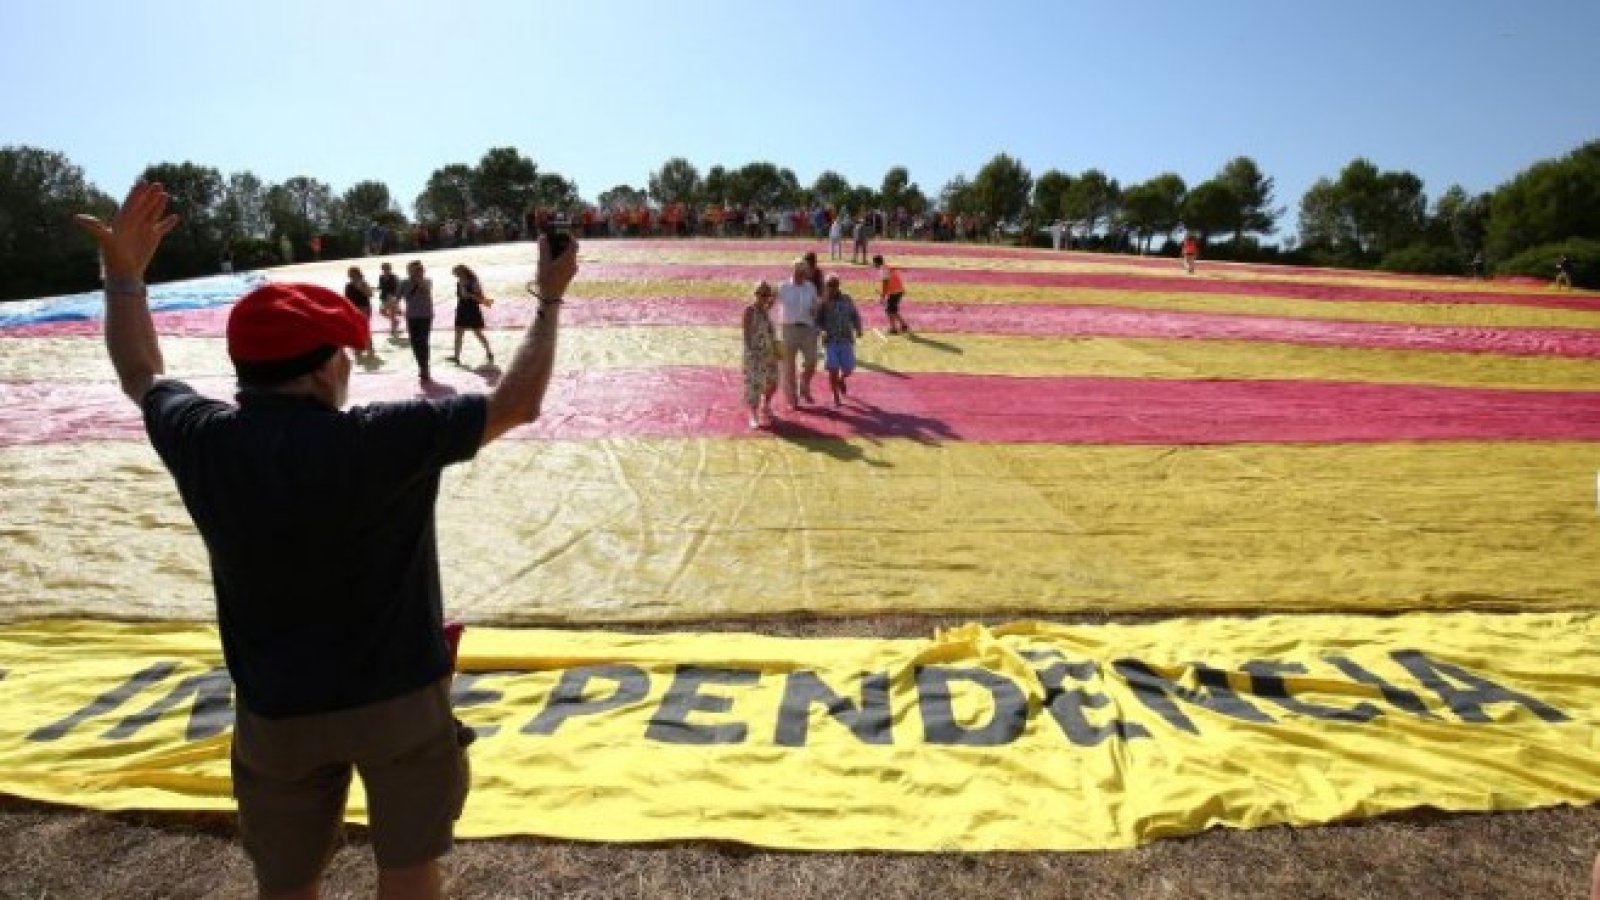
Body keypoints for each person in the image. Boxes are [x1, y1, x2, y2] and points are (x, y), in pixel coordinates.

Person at [74, 180, 579, 900]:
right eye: (342, 354)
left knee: (287, 883)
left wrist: (123, 279)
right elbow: (517, 403)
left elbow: (140, 373)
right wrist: (550, 298)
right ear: (320, 369)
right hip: (398, 698)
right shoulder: (384, 438)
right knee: (409, 870)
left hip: (277, 709)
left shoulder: (204, 439)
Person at [776, 258, 821, 407]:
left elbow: (815, 304)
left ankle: (804, 382)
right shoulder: (783, 287)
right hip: (789, 329)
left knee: (812, 361)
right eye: (799, 271)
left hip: (808, 329)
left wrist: (816, 309)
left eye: (804, 271)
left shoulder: (811, 287)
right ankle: (792, 398)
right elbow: (771, 303)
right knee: (788, 366)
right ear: (793, 271)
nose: (801, 274)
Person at [816, 274, 863, 406]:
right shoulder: (822, 302)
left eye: (834, 285)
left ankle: (841, 379)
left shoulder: (847, 299)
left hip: (846, 339)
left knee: (848, 368)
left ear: (838, 285)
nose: (831, 288)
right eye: (829, 285)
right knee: (833, 369)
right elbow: (817, 321)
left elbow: (855, 315)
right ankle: (835, 395)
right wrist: (821, 331)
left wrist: (858, 328)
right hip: (831, 340)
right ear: (825, 286)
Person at [741, 281, 781, 428]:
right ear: (756, 294)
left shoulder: (766, 310)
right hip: (755, 354)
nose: (764, 298)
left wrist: (776, 349)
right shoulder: (749, 311)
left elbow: (775, 294)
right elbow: (746, 334)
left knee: (773, 382)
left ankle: (766, 405)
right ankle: (753, 414)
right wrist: (752, 351)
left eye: (767, 295)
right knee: (755, 385)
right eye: (762, 294)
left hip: (770, 353)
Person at [446, 264, 495, 367]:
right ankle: (456, 357)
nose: (456, 275)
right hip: (462, 308)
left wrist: (471, 295)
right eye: (456, 274)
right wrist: (465, 293)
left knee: (477, 333)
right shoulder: (459, 282)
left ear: (463, 272)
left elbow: (479, 295)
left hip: (472, 309)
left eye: (457, 273)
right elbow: (462, 296)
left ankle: (489, 352)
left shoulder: (473, 282)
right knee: (458, 333)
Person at [400, 260, 436, 383]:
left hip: (425, 315)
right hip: (411, 316)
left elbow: (426, 291)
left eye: (417, 270)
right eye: (411, 270)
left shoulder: (427, 281)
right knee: (414, 342)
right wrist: (392, 304)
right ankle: (421, 366)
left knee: (423, 341)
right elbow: (397, 297)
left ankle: (425, 367)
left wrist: (419, 280)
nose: (413, 272)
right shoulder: (404, 282)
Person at [343, 266, 377, 363]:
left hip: (364, 308)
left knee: (365, 329)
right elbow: (346, 299)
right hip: (353, 309)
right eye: (350, 274)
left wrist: (361, 287)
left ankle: (370, 349)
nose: (351, 276)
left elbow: (370, 295)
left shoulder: (364, 283)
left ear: (358, 274)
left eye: (353, 273)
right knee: (355, 329)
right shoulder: (348, 285)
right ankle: (358, 349)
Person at [873, 254, 911, 334]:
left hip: (895, 292)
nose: (874, 265)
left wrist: (882, 296)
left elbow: (885, 284)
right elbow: (894, 267)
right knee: (892, 310)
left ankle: (894, 329)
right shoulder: (886, 266)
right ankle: (903, 325)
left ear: (876, 263)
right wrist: (902, 269)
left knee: (889, 310)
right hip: (898, 290)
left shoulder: (883, 270)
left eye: (874, 263)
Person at [377, 262, 402, 340]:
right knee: (382, 311)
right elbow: (381, 287)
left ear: (390, 269)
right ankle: (395, 322)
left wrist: (395, 297)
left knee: (392, 313)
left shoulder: (394, 277)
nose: (385, 270)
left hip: (392, 298)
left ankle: (394, 331)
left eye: (387, 268)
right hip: (384, 297)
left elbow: (398, 287)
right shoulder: (381, 277)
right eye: (384, 268)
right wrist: (376, 288)